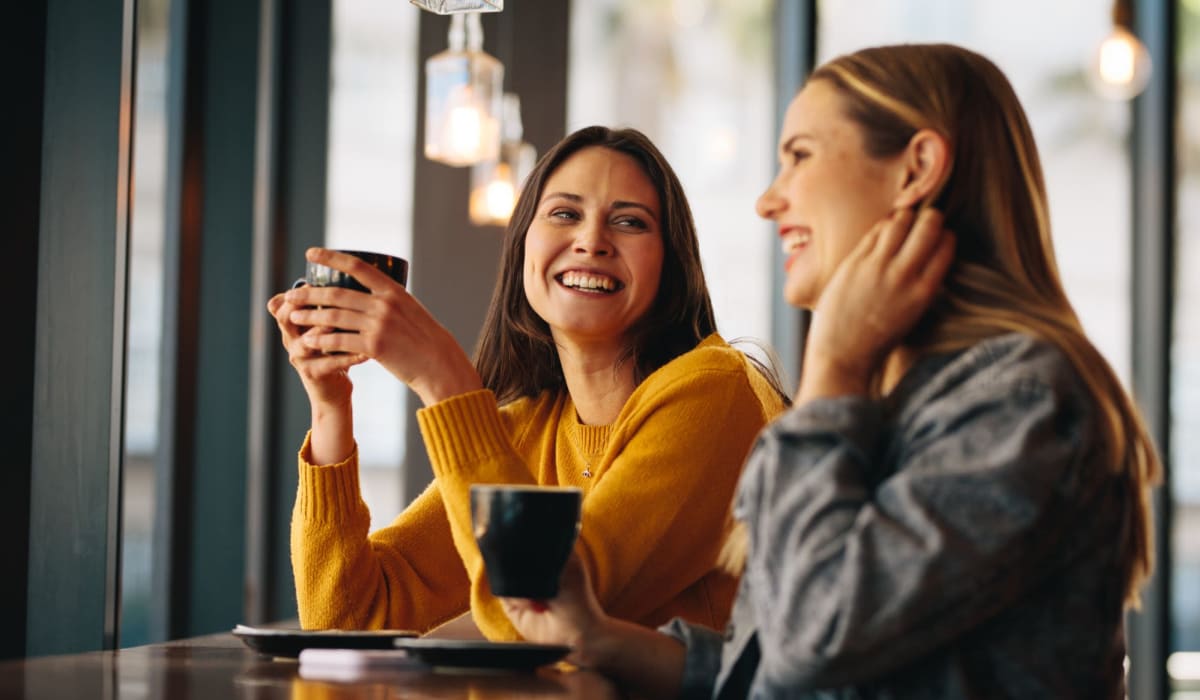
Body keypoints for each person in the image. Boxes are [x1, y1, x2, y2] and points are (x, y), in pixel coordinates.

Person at [498, 43, 1162, 698]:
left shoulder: (1019, 397)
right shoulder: (901, 395)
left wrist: (833, 370)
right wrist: (598, 637)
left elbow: (815, 646)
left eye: (800, 157)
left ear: (916, 168)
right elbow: (775, 667)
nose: (768, 200)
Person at [266, 125, 789, 641]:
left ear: (671, 265)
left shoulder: (713, 392)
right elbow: (349, 621)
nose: (591, 241)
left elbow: (547, 612)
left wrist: (442, 378)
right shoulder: (527, 430)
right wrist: (330, 406)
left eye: (629, 222)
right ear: (522, 249)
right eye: (565, 214)